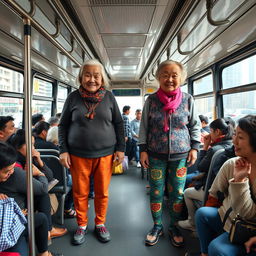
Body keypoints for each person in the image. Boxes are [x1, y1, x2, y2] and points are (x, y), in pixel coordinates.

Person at [58, 59, 125, 245]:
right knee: (80, 193)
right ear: (81, 77)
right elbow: (63, 125)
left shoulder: (109, 97)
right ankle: (81, 225)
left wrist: (121, 149)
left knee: (102, 192)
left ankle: (100, 223)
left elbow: (119, 124)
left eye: (96, 75)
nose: (92, 79)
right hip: (77, 155)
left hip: (106, 154)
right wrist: (63, 151)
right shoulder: (73, 97)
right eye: (88, 75)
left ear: (102, 78)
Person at [138, 60, 201, 247]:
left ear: (181, 78)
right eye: (165, 75)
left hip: (181, 156)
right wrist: (142, 150)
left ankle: (174, 226)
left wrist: (195, 148)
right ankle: (157, 226)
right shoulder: (151, 100)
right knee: (156, 192)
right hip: (155, 155)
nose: (170, 79)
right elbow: (144, 128)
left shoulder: (188, 99)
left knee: (178, 193)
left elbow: (195, 125)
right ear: (158, 77)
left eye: (174, 75)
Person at [185, 115, 256, 256]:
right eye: (235, 134)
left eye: (240, 138)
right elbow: (214, 192)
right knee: (202, 213)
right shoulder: (231, 163)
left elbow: (248, 214)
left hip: (248, 226)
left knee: (216, 248)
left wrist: (239, 181)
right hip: (229, 217)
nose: (234, 141)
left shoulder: (217, 151)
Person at [0, 141, 64, 256]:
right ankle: (45, 250)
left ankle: (47, 237)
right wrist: (40, 174)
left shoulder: (26, 164)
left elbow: (49, 177)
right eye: (6, 171)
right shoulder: (17, 175)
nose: (11, 172)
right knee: (41, 216)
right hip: (7, 225)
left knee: (41, 197)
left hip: (14, 217)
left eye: (33, 144)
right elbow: (44, 187)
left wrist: (40, 163)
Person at [178, 118, 234, 232]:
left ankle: (191, 222)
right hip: (225, 190)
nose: (209, 134)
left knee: (187, 192)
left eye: (211, 131)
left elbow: (201, 167)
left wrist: (205, 146)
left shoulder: (215, 150)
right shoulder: (230, 145)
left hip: (212, 189)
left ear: (217, 132)